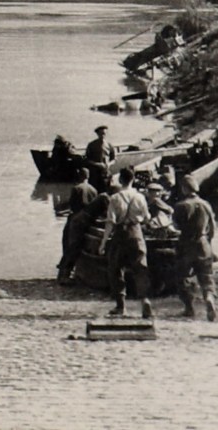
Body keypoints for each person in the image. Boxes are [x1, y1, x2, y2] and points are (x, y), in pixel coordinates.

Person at [99, 167, 153, 319]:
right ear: (133, 179)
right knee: (140, 269)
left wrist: (103, 242)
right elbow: (147, 217)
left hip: (120, 234)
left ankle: (121, 306)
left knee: (115, 269)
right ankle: (144, 300)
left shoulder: (115, 198)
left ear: (120, 180)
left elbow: (110, 221)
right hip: (136, 233)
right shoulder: (140, 197)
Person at [172, 174, 218, 321]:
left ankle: (189, 308)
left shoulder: (180, 206)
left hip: (186, 244)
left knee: (183, 277)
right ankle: (209, 298)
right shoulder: (206, 204)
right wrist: (207, 241)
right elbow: (212, 228)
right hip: (203, 243)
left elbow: (175, 227)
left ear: (184, 189)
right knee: (206, 276)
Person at [56, 168, 101, 284]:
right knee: (79, 246)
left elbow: (72, 205)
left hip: (75, 219)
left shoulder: (76, 188)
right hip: (87, 221)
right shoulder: (93, 190)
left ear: (79, 176)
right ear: (88, 177)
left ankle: (63, 274)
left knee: (68, 245)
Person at [85, 126, 116, 192]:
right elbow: (87, 160)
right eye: (101, 133)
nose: (103, 135)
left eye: (104, 133)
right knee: (94, 191)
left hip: (105, 173)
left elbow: (113, 159)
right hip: (94, 174)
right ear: (97, 134)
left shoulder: (109, 145)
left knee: (106, 190)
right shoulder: (91, 145)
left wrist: (109, 164)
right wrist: (97, 164)